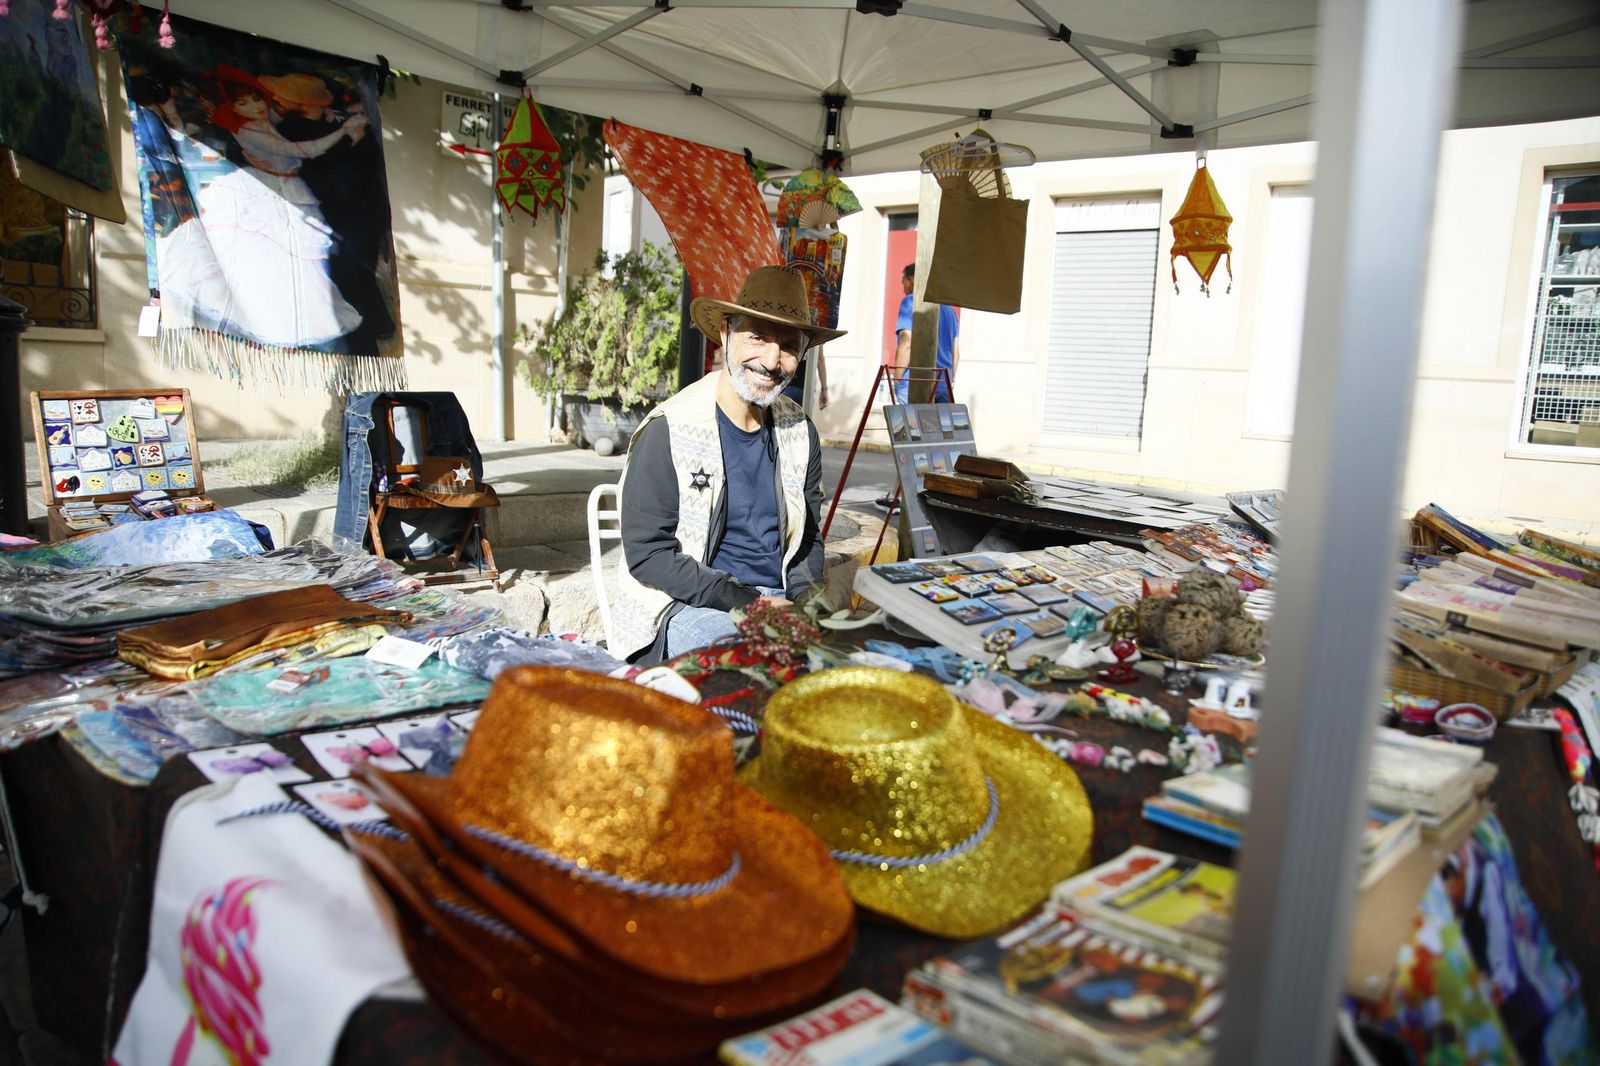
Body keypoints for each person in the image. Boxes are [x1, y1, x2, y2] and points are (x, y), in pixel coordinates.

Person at [612, 266, 846, 664]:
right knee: (764, 665)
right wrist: (751, 604)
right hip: (689, 603)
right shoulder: (670, 428)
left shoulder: (799, 431)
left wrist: (808, 603)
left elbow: (807, 539)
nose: (771, 361)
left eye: (789, 346)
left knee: (847, 665)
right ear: (725, 333)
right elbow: (649, 555)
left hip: (776, 600)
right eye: (758, 337)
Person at [156, 65, 368, 349]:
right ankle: (285, 325)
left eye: (256, 99)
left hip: (288, 189)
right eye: (243, 103)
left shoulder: (264, 121)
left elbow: (287, 114)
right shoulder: (248, 130)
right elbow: (304, 151)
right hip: (273, 192)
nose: (255, 106)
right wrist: (343, 129)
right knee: (282, 262)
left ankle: (307, 322)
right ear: (233, 108)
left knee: (303, 262)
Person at [892, 262, 960, 403]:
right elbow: (956, 354)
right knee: (937, 419)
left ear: (911, 279)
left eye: (903, 282)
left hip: (914, 383)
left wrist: (897, 379)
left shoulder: (910, 302)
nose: (903, 288)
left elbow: (906, 343)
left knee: (910, 418)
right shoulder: (951, 312)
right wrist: (949, 380)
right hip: (943, 385)